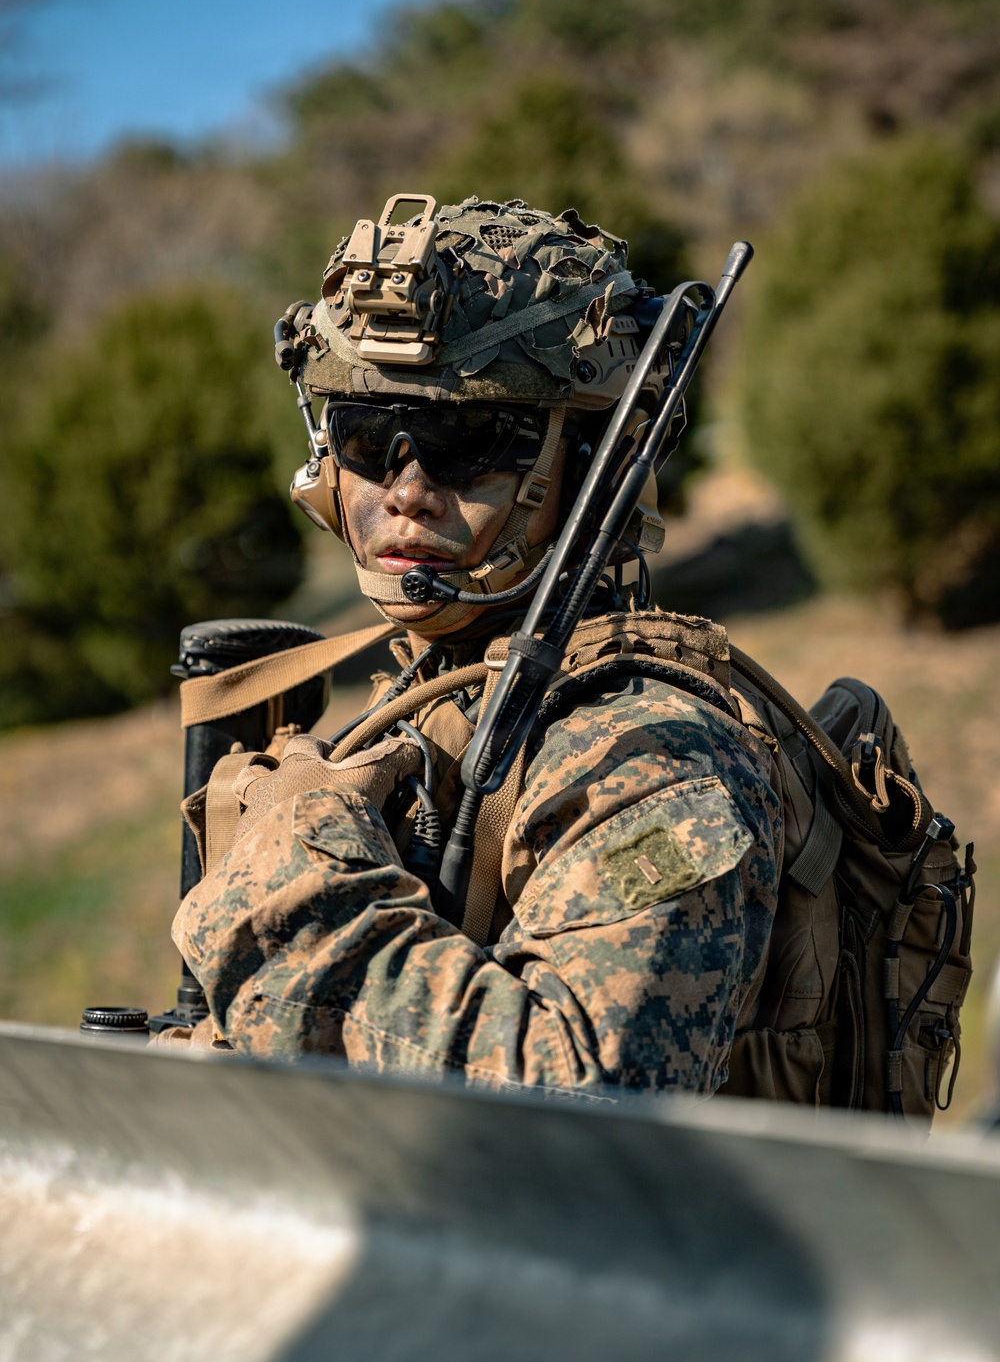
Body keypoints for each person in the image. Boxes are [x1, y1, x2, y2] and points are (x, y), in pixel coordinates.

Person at [171, 195, 781, 1095]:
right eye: (370, 436)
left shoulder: (655, 761)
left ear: (591, 466)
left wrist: (300, 882)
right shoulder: (443, 691)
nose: (408, 491)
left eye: (470, 442)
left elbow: (581, 1104)